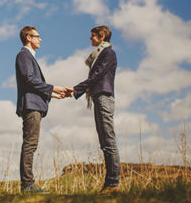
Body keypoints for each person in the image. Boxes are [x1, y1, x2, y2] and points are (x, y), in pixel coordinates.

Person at [15, 26, 72, 193]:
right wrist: (54, 87)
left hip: (35, 105)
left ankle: (28, 184)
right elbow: (29, 80)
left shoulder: (29, 57)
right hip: (31, 106)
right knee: (30, 144)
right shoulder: (24, 55)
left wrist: (55, 94)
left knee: (31, 144)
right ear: (28, 38)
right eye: (37, 36)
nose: (40, 39)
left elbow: (33, 85)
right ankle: (27, 185)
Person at [72, 25, 121, 194]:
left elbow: (96, 75)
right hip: (98, 97)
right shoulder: (100, 54)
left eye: (93, 36)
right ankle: (109, 184)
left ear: (102, 37)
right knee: (104, 142)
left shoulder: (108, 53)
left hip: (104, 97)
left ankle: (114, 184)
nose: (90, 39)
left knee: (109, 141)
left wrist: (76, 89)